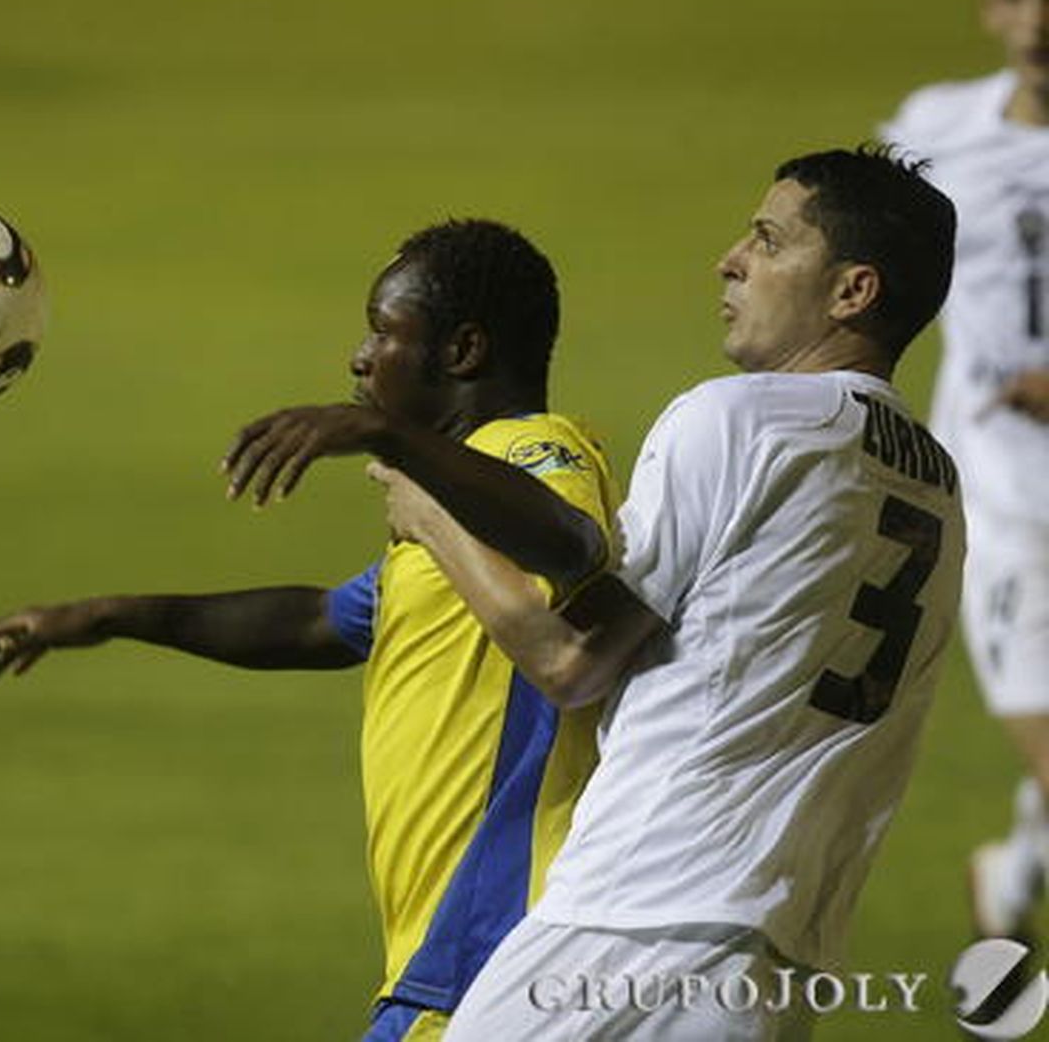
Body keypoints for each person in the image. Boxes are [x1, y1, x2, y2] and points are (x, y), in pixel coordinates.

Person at [245, 148, 960, 1039]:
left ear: (852, 292)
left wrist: (429, 513)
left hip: (628, 930)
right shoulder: (935, 484)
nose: (730, 259)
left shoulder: (737, 419)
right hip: (776, 963)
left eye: (769, 241)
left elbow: (573, 660)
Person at [0, 220, 619, 1042]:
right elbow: (315, 620)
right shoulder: (450, 533)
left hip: (497, 960)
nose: (360, 357)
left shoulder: (537, 448)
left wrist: (386, 434)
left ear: (464, 351)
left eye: (384, 330)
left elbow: (571, 541)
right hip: (448, 967)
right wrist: (109, 616)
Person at [880, 0, 1049, 942]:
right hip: (1006, 501)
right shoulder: (939, 131)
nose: (1038, 21)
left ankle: (1014, 877)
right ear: (990, 6)